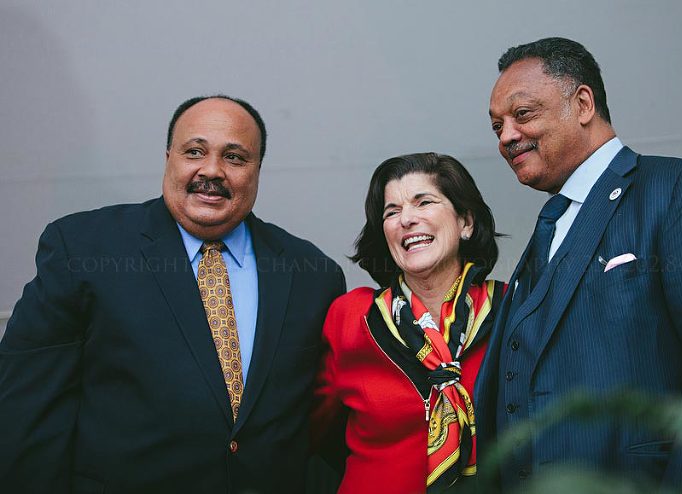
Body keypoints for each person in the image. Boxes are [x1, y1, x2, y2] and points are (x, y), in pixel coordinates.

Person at [0, 95, 346, 493]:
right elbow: (27, 410)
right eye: (194, 151)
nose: (212, 170)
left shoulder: (312, 274)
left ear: (257, 170)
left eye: (235, 157)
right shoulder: (84, 249)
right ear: (169, 158)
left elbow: (323, 421)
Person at [476, 37, 682, 489]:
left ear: (584, 103)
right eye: (497, 127)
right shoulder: (549, 227)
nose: (507, 136)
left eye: (523, 114)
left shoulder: (677, 188)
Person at [312, 152, 506, 493]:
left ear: (466, 222)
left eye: (424, 202)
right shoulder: (351, 317)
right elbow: (314, 430)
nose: (406, 219)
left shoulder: (511, 308)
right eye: (391, 211)